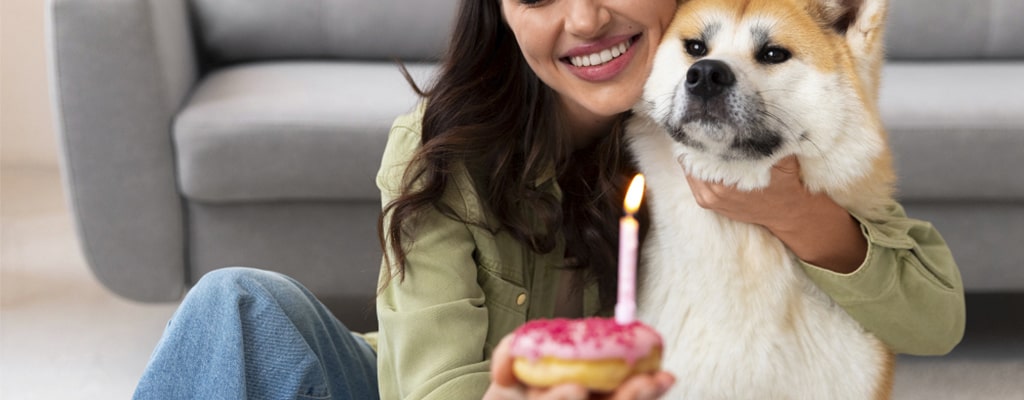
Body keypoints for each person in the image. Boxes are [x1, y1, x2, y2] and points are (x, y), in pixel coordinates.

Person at [133, 0, 966, 399]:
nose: (586, 16)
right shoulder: (445, 145)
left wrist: (797, 215)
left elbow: (930, 313)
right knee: (237, 305)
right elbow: (429, 382)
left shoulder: (716, 131)